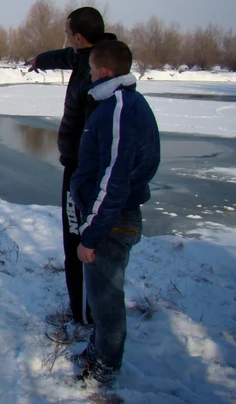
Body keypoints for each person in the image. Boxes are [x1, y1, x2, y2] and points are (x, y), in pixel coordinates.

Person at [69, 40, 160, 385]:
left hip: (111, 221)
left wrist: (90, 236)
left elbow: (113, 181)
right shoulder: (115, 105)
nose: (89, 74)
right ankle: (99, 353)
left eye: (91, 69)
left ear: (105, 71)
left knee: (106, 302)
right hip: (110, 218)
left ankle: (104, 370)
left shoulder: (119, 109)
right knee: (101, 297)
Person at [27, 7, 110, 340]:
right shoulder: (86, 56)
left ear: (78, 36)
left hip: (83, 171)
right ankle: (85, 310)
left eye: (67, 32)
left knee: (78, 241)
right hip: (77, 167)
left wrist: (83, 176)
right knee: (76, 239)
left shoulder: (96, 73)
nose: (66, 37)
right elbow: (64, 57)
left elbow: (97, 132)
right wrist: (41, 60)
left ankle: (86, 316)